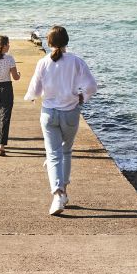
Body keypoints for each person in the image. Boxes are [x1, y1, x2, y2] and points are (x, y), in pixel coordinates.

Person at [24, 25, 98, 215]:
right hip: (70, 112)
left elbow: (34, 90)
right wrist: (82, 96)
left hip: (49, 113)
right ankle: (63, 191)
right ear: (66, 41)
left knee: (53, 154)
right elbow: (91, 86)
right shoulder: (76, 61)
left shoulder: (43, 62)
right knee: (66, 151)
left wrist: (34, 97)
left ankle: (58, 195)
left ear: (48, 42)